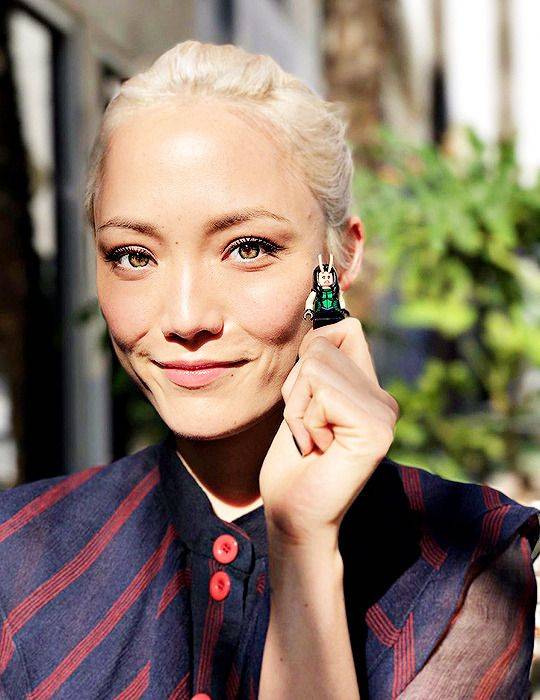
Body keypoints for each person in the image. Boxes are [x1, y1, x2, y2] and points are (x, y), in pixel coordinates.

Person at [0, 40, 538, 700]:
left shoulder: (464, 564)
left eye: (247, 248)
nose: (186, 317)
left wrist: (302, 542)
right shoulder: (16, 556)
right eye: (134, 256)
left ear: (340, 259)